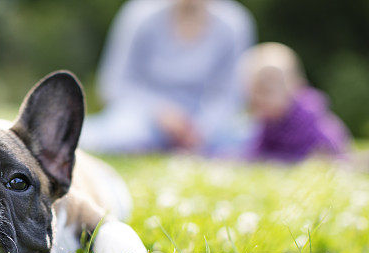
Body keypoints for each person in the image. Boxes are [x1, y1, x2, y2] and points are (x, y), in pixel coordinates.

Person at [79, 0, 255, 156]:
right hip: (143, 117)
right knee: (123, 136)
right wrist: (160, 113)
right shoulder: (140, 14)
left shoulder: (234, 22)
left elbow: (230, 94)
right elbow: (114, 85)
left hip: (207, 124)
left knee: (248, 137)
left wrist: (201, 129)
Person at [242, 42, 351, 163]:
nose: (260, 99)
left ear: (294, 87)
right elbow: (258, 151)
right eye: (254, 93)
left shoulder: (309, 117)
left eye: (266, 91)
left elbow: (329, 148)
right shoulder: (268, 122)